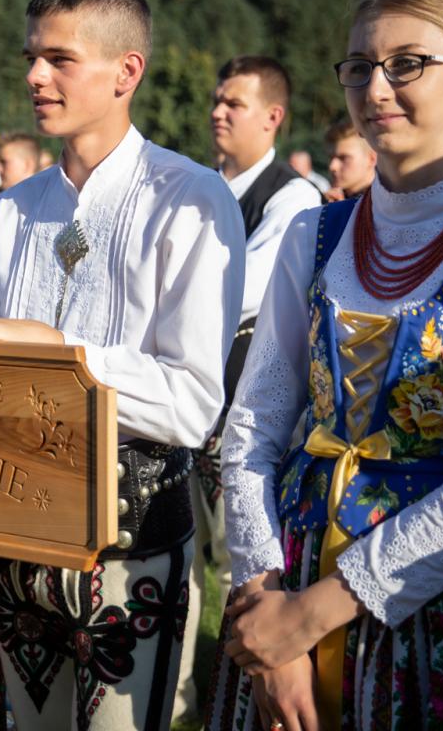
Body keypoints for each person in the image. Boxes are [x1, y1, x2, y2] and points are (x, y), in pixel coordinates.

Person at [0, 0, 245, 729]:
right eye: (31, 57)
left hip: (130, 544)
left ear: (126, 71)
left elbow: (191, 403)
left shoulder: (190, 198)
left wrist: (56, 353)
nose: (35, 77)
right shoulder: (11, 210)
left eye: (60, 59)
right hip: (13, 533)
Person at [208, 0, 443, 730]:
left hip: (434, 594)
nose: (376, 88)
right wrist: (265, 604)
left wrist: (309, 616)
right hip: (289, 568)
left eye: (407, 64)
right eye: (359, 66)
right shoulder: (313, 233)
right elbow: (254, 428)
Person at [180, 54, 322, 721]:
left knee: (238, 559)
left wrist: (170, 293)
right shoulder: (198, 188)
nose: (217, 112)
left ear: (272, 117)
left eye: (233, 102)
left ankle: (235, 689)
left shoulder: (293, 197)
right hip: (186, 406)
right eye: (216, 100)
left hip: (247, 409)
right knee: (183, 557)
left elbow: (245, 290)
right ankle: (184, 687)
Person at [322, 119, 377, 203]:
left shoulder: (389, 205)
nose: (332, 166)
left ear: (371, 159)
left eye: (343, 158)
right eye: (330, 157)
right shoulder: (328, 202)